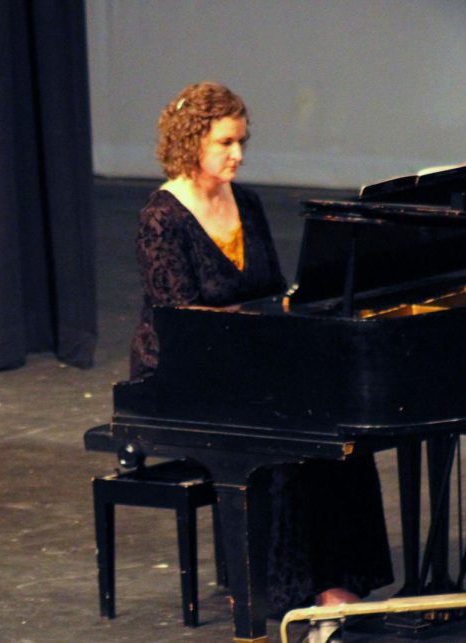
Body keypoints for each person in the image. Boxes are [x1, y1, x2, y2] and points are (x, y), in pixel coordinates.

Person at [129, 82, 393, 613]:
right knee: (284, 431)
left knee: (336, 421)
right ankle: (275, 586)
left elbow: (272, 287)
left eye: (242, 141)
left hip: (247, 355)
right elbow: (178, 320)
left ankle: (338, 578)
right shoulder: (162, 216)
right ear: (191, 140)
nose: (238, 154)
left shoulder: (245, 202)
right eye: (226, 142)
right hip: (181, 373)